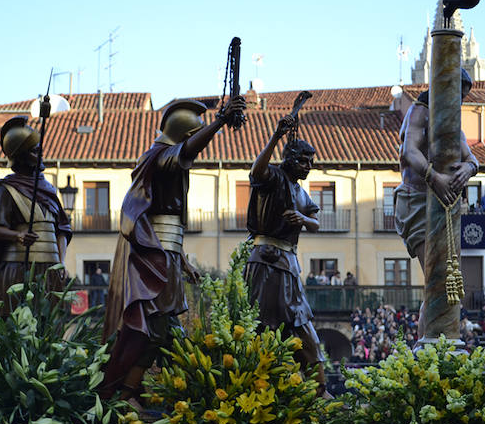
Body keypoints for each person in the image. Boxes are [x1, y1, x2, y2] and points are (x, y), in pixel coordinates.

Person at [101, 96, 246, 402]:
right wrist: (219, 121)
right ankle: (128, 395)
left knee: (163, 331)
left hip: (165, 259)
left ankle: (147, 396)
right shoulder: (159, 157)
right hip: (154, 262)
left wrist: (183, 262)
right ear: (184, 139)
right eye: (192, 139)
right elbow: (187, 151)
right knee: (154, 330)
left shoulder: (166, 163)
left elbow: (165, 230)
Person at [243, 114, 330, 396]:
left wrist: (303, 220)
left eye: (311, 162)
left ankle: (319, 390)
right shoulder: (273, 178)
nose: (308, 167)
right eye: (304, 160)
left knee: (302, 324)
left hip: (289, 265)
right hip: (266, 262)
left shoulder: (301, 192)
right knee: (260, 326)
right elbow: (256, 171)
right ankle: (259, 386)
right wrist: (276, 137)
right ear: (289, 159)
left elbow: (316, 223)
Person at [393, 68, 479, 337]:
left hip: (442, 205)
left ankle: (433, 344)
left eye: (464, 98)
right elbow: (410, 151)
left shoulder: (450, 120)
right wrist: (435, 178)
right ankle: (427, 347)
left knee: (444, 281)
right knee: (436, 280)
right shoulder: (419, 111)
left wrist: (470, 169)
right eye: (458, 96)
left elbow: (472, 157)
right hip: (416, 203)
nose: (461, 103)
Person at [0, 116, 72, 321]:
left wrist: (61, 262)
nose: (40, 154)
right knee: (16, 325)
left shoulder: (49, 189)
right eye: (33, 151)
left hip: (50, 272)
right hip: (18, 270)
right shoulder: (6, 189)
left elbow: (63, 230)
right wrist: (18, 235)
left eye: (39, 149)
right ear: (20, 157)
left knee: (50, 327)